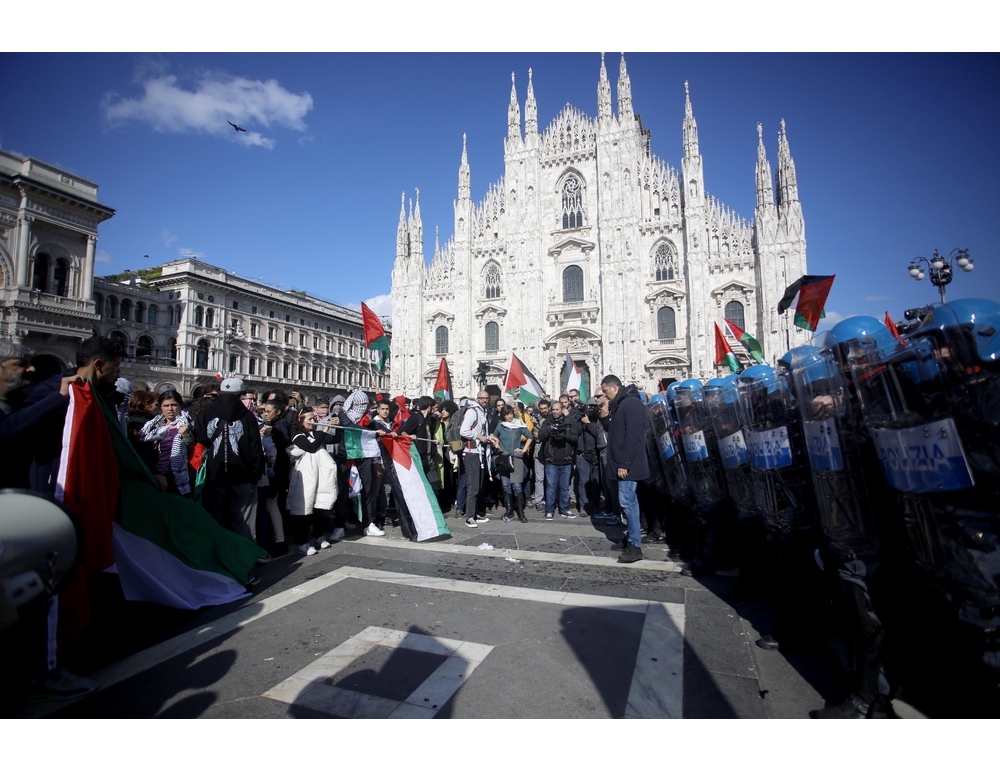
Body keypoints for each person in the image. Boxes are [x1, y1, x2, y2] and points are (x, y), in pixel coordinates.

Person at [192, 377, 266, 541]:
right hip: (243, 478)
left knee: (216, 522)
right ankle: (244, 562)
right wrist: (255, 475)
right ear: (240, 395)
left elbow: (199, 443)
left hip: (214, 478)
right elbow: (255, 449)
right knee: (243, 525)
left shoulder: (204, 415)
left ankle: (221, 561)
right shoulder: (248, 417)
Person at [601, 375, 649, 563]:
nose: (604, 396)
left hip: (630, 464)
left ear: (614, 387)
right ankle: (630, 537)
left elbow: (633, 436)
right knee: (626, 502)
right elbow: (617, 432)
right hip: (623, 463)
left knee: (628, 502)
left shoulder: (631, 404)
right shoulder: (621, 404)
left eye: (605, 392)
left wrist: (625, 463)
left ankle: (635, 546)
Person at [286, 408, 338, 555]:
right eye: (310, 418)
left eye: (314, 418)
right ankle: (302, 542)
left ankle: (319, 536)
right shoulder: (297, 435)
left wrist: (336, 428)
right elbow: (312, 447)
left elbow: (333, 440)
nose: (313, 421)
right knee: (304, 508)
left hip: (319, 474)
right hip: (306, 475)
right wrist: (324, 430)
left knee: (318, 506)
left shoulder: (315, 433)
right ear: (301, 420)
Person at [139, 390, 193, 496]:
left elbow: (193, 449)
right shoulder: (152, 426)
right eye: (166, 405)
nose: (170, 409)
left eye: (173, 405)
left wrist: (186, 436)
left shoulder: (188, 424)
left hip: (177, 477)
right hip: (156, 474)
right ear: (161, 407)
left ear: (180, 405)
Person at [537, 400, 581, 521]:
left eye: (557, 409)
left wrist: (565, 435)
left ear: (562, 409)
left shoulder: (569, 421)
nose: (555, 412)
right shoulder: (547, 422)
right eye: (554, 410)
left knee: (564, 487)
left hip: (566, 459)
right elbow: (540, 436)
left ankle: (564, 508)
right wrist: (549, 430)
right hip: (551, 460)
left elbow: (575, 438)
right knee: (551, 486)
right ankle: (549, 510)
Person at [491, 404, 533, 523]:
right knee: (506, 485)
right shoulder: (501, 425)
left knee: (517, 485)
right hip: (504, 458)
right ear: (503, 415)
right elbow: (494, 436)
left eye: (511, 413)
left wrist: (524, 449)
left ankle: (520, 511)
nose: (509, 416)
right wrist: (497, 444)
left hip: (516, 459)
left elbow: (530, 436)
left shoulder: (518, 424)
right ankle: (509, 510)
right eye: (507, 414)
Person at [260, 399, 291, 554]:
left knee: (272, 504)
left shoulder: (280, 425)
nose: (266, 414)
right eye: (264, 412)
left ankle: (280, 540)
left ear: (278, 412)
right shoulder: (272, 425)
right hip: (275, 471)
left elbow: (285, 440)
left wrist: (273, 432)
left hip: (277, 471)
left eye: (269, 412)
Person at [459, 391, 492, 528]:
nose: (484, 400)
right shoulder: (472, 412)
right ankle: (469, 517)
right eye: (482, 398)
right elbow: (464, 431)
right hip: (471, 452)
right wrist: (479, 437)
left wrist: (489, 438)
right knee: (473, 486)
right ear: (477, 399)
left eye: (486, 398)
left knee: (478, 485)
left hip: (480, 452)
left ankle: (475, 513)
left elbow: (483, 431)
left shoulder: (482, 412)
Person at [531, 399, 551, 510]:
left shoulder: (552, 419)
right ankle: (539, 500)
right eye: (541, 408)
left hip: (550, 452)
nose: (543, 410)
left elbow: (545, 434)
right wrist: (536, 425)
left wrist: (538, 426)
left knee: (550, 478)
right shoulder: (537, 420)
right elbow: (536, 436)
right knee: (539, 478)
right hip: (538, 452)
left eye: (545, 408)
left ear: (549, 408)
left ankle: (550, 499)